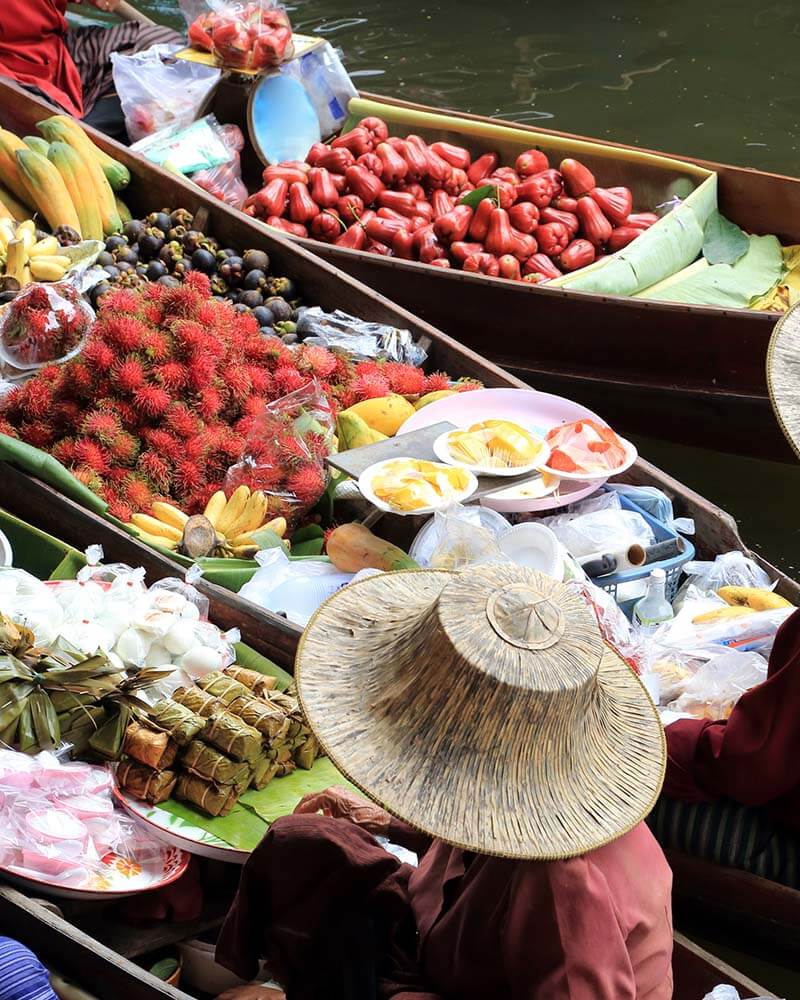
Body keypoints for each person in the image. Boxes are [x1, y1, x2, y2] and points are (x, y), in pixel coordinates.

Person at [216, 565, 675, 999]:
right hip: (442, 939)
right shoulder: (503, 787)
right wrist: (386, 822)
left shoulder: (565, 884)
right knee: (303, 842)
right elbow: (471, 833)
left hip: (483, 985)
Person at [0, 0, 180, 140]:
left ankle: (94, 133)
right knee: (44, 120)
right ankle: (90, 140)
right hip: (12, 77)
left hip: (57, 51)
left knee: (165, 45)